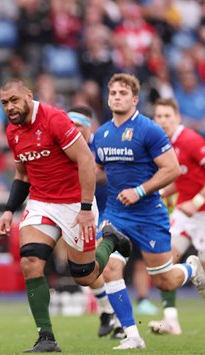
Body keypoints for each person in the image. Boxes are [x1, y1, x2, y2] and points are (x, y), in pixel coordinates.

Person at [0, 79, 132, 353]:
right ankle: (46, 337)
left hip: (73, 203)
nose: (9, 107)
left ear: (29, 96)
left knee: (84, 275)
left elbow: (85, 160)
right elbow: (22, 174)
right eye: (4, 103)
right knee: (31, 261)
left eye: (14, 100)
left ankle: (110, 241)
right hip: (41, 202)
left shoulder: (54, 119)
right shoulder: (13, 131)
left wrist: (84, 210)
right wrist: (9, 209)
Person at [92, 74, 205, 350]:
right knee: (110, 268)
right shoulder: (102, 133)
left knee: (165, 280)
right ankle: (133, 335)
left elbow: (170, 169)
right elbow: (100, 171)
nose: (117, 96)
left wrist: (141, 190)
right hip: (116, 213)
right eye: (113, 92)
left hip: (148, 214)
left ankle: (190, 268)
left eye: (123, 92)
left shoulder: (149, 130)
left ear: (135, 99)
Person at [148, 97, 205, 335]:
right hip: (183, 215)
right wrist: (166, 191)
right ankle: (171, 320)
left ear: (177, 117)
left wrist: (197, 200)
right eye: (159, 116)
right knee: (164, 262)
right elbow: (184, 177)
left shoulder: (190, 139)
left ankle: (199, 270)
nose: (163, 120)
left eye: (168, 116)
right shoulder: (162, 143)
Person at [67, 105, 125, 339]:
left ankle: (122, 322)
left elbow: (114, 173)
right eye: (70, 126)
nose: (73, 130)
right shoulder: (65, 147)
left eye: (78, 126)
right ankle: (107, 309)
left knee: (111, 268)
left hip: (112, 211)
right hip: (81, 212)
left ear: (89, 128)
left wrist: (89, 173)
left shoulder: (102, 145)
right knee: (85, 270)